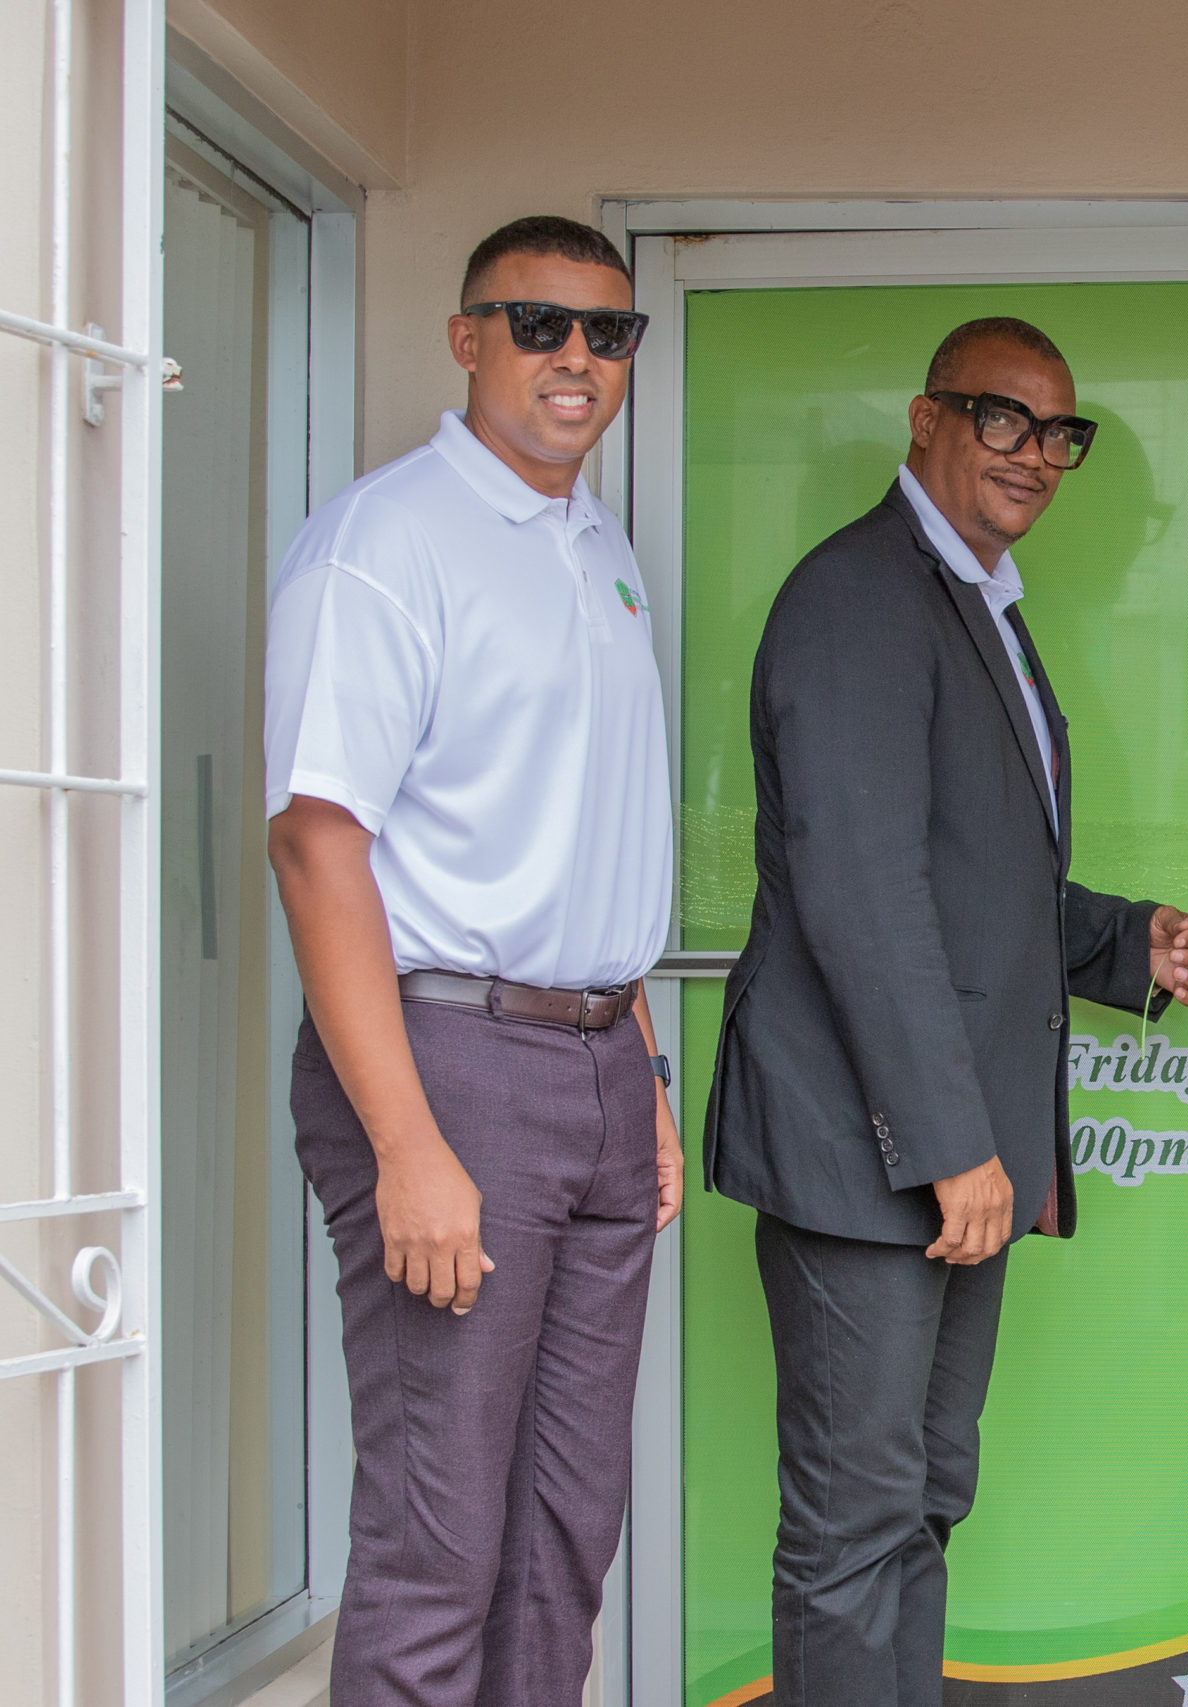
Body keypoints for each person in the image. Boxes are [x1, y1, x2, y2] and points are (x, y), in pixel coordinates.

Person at [702, 316, 1188, 1706]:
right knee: (853, 1526)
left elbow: (972, 876)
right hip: (867, 1154)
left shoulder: (976, 599)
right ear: (925, 419)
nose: (1036, 454)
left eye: (1060, 433)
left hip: (940, 1158)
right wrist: (947, 1142)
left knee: (924, 1497)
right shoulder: (861, 596)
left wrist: (1121, 943)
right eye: (1003, 418)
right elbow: (860, 892)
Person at [265, 216, 680, 1706]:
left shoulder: (595, 546)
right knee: (439, 1543)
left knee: (565, 1532)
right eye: (538, 324)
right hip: (450, 1064)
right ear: (467, 338)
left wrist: (641, 1075)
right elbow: (317, 846)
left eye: (607, 333)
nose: (577, 359)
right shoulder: (386, 542)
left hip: (598, 1063)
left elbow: (584, 836)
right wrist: (406, 1145)